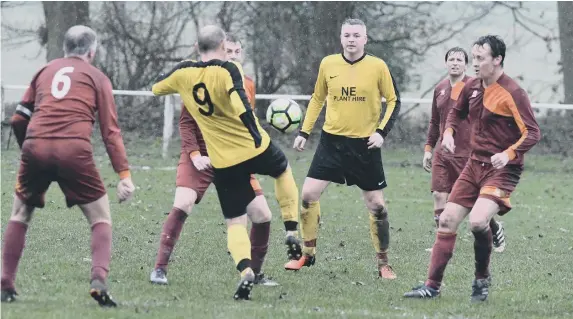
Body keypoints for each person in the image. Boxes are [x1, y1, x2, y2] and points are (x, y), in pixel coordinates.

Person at [152, 25, 300, 300]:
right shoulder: (204, 74)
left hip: (225, 159)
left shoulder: (242, 81)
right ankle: (159, 269)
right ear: (221, 47)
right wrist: (196, 155)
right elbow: (187, 121)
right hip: (203, 154)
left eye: (236, 52)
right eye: (227, 50)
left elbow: (157, 85)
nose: (231, 55)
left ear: (240, 53)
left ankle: (252, 273)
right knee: (183, 203)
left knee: (260, 216)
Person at [1, 25, 135, 307]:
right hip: (74, 149)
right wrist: (123, 175)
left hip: (35, 145)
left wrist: (29, 149)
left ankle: (5, 283)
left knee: (20, 213)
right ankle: (98, 280)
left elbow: (18, 118)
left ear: (64, 49)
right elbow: (110, 132)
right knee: (100, 218)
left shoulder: (44, 71)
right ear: (92, 51)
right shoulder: (97, 77)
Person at [404, 35, 541, 301]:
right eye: (473, 58)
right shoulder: (473, 87)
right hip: (473, 164)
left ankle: (481, 281)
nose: (474, 64)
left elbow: (533, 132)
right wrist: (449, 133)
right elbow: (455, 112)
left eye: (480, 59)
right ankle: (432, 286)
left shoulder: (513, 92)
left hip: (502, 169)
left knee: (478, 222)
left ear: (497, 59)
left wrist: (509, 153)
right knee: (446, 219)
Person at [286, 18, 401, 280]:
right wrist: (304, 131)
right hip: (332, 142)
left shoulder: (377, 66)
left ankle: (383, 263)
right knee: (307, 195)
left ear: (365, 39)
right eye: (347, 35)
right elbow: (318, 98)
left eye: (356, 35)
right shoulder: (328, 64)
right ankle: (308, 253)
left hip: (365, 146)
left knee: (378, 207)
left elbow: (394, 101)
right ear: (341, 38)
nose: (351, 39)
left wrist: (381, 132)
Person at [423, 47, 506, 253]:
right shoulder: (440, 88)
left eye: (459, 59)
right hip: (443, 153)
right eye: (451, 59)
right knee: (439, 195)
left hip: (469, 154)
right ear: (446, 63)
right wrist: (428, 149)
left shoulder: (474, 88)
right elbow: (435, 121)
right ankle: (441, 242)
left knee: (476, 202)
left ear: (466, 65)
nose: (455, 62)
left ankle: (495, 228)